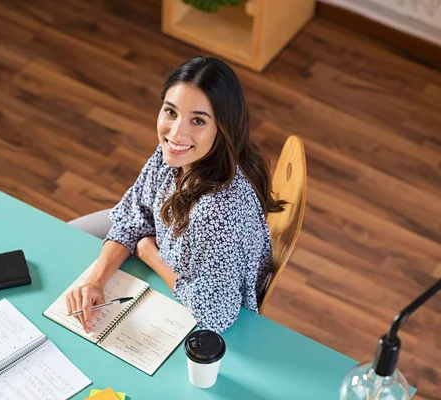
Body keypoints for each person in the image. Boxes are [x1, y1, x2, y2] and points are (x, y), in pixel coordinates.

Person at [66, 56, 286, 334]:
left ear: (223, 128)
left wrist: (149, 253)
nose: (176, 133)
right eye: (171, 112)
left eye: (198, 120)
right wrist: (95, 281)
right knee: (62, 240)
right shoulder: (175, 154)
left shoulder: (218, 211)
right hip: (168, 244)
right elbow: (136, 213)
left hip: (193, 289)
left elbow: (215, 315)